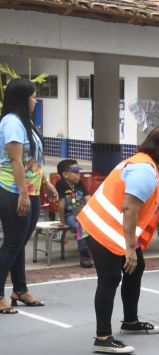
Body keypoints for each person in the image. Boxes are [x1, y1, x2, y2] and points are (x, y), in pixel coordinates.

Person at [77, 125, 159, 354]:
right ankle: (102, 337)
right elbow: (129, 210)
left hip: (117, 231)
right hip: (101, 229)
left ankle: (130, 322)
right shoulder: (143, 171)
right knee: (111, 277)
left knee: (136, 267)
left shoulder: (157, 171)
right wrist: (130, 249)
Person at [0, 78, 58, 314]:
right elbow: (15, 160)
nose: (36, 100)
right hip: (13, 190)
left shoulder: (27, 123)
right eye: (33, 96)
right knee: (13, 242)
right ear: (23, 98)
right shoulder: (12, 123)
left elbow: (33, 160)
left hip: (31, 190)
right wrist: (23, 194)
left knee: (20, 242)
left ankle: (20, 290)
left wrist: (46, 183)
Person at [55, 159, 92, 268]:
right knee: (81, 227)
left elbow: (88, 199)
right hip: (69, 215)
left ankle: (97, 251)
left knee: (95, 225)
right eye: (75, 172)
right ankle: (85, 255)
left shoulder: (80, 184)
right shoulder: (61, 184)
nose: (78, 175)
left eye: (78, 172)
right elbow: (61, 205)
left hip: (82, 213)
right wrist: (62, 221)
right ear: (65, 174)